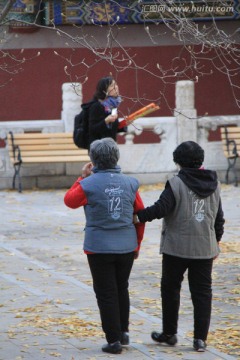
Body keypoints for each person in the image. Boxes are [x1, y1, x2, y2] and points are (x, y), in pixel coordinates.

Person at [135, 141, 225, 352]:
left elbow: (161, 208)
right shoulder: (215, 183)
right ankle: (200, 340)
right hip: (205, 248)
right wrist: (215, 242)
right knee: (202, 293)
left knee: (170, 289)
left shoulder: (176, 183)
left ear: (178, 161)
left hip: (176, 248)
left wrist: (137, 217)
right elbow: (218, 219)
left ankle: (169, 333)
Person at [64, 137, 145, 354]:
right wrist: (137, 244)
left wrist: (81, 176)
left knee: (106, 292)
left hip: (98, 246)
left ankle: (113, 340)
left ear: (93, 160)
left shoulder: (87, 184)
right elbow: (139, 214)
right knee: (121, 288)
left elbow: (70, 201)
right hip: (126, 245)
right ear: (116, 157)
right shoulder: (130, 183)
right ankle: (124, 331)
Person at [84, 76, 125, 147]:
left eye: (116, 84)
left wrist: (125, 123)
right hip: (97, 148)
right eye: (112, 86)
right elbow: (92, 129)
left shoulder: (113, 106)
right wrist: (106, 121)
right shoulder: (96, 106)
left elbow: (113, 128)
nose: (116, 87)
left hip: (111, 147)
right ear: (104, 90)